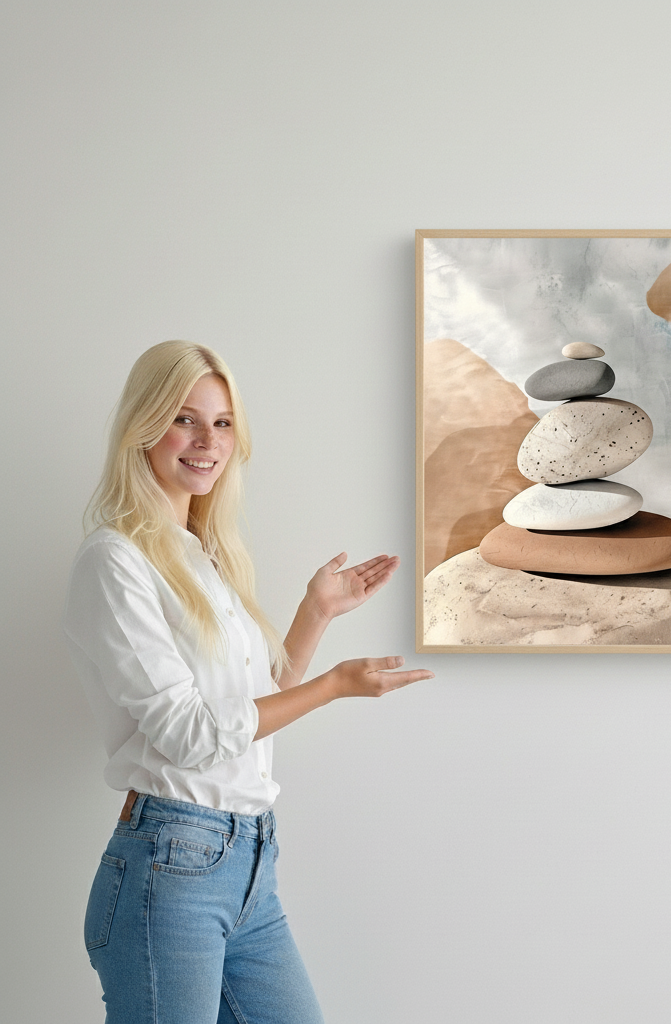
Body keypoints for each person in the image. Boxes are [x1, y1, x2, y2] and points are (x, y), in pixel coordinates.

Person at [63, 340, 432, 1023]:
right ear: (144, 426)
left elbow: (248, 711)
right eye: (186, 418)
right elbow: (189, 736)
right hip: (171, 867)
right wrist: (333, 686)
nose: (208, 441)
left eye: (224, 422)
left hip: (251, 863)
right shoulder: (115, 562)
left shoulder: (204, 557)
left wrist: (315, 613)